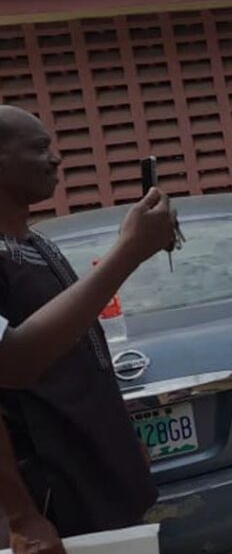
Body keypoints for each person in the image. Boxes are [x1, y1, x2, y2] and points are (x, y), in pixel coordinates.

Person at [0, 105, 178, 552]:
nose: (56, 159)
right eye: (40, 148)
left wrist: (117, 439)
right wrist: (22, 515)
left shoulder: (32, 242)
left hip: (96, 478)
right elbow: (13, 361)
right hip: (53, 497)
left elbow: (74, 355)